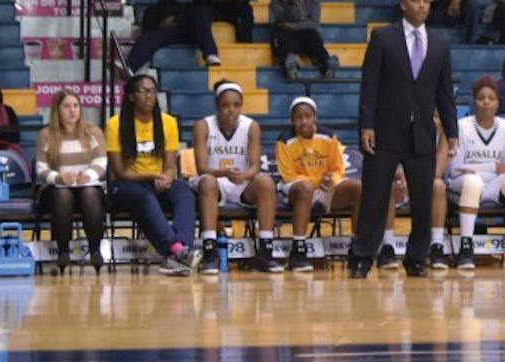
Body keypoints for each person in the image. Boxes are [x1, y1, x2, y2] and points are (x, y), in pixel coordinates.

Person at [348, 0, 458, 278]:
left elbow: (445, 92)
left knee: (423, 198)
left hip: (422, 132)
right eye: (415, 0)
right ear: (403, 5)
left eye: (426, 1)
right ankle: (361, 256)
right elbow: (369, 86)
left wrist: (452, 130)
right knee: (375, 195)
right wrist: (366, 125)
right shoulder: (383, 37)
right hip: (384, 130)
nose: (421, 6)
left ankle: (417, 257)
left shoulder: (440, 43)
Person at [105, 74, 196, 275]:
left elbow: (171, 166)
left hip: (157, 180)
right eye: (143, 91)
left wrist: (168, 177)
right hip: (126, 185)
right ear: (131, 96)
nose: (149, 96)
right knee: (143, 197)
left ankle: (180, 254)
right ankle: (178, 250)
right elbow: (120, 171)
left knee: (184, 192)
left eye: (153, 91)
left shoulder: (168, 122)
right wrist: (153, 176)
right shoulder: (115, 124)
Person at [192, 81, 283, 274]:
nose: (231, 110)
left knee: (266, 182)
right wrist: (225, 173)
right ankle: (210, 251)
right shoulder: (203, 125)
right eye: (225, 105)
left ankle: (265, 251)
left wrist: (243, 175)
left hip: (241, 182)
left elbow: (255, 166)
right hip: (214, 180)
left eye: (236, 105)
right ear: (217, 106)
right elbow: (202, 168)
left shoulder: (251, 126)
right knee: (207, 181)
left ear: (241, 106)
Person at [447, 79, 505, 266]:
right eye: (481, 98)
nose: (486, 102)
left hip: (495, 185)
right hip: (462, 183)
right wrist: (493, 165)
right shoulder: (461, 126)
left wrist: (477, 165)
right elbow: (455, 168)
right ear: (474, 101)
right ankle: (466, 246)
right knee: (472, 181)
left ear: (498, 102)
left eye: (491, 98)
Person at [276, 96, 360, 273]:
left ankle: (357, 247)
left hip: (324, 187)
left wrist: (332, 180)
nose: (303, 121)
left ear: (315, 117)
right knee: (305, 188)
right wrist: (317, 182)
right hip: (296, 188)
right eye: (298, 117)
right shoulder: (284, 140)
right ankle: (298, 250)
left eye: (308, 116)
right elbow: (288, 175)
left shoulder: (329, 136)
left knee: (357, 188)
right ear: (292, 120)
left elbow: (338, 168)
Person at [35, 89, 107, 274]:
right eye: (66, 106)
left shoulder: (93, 131)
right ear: (57, 110)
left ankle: (95, 251)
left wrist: (89, 175)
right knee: (63, 194)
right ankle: (63, 251)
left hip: (87, 185)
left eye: (75, 106)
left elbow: (101, 163)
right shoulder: (46, 134)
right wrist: (59, 177)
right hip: (55, 188)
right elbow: (41, 169)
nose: (72, 110)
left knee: (90, 194)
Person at [270, 0, 330, 79]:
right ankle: (290, 65)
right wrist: (289, 4)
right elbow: (280, 19)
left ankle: (327, 66)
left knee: (315, 39)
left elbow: (314, 22)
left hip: (304, 31)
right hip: (286, 33)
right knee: (279, 38)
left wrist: (293, 26)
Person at [126, 0, 196, 71]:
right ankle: (129, 68)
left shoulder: (184, 7)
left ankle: (129, 67)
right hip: (161, 37)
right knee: (146, 38)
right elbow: (147, 30)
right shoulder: (152, 10)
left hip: (181, 36)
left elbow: (192, 20)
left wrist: (174, 18)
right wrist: (161, 26)